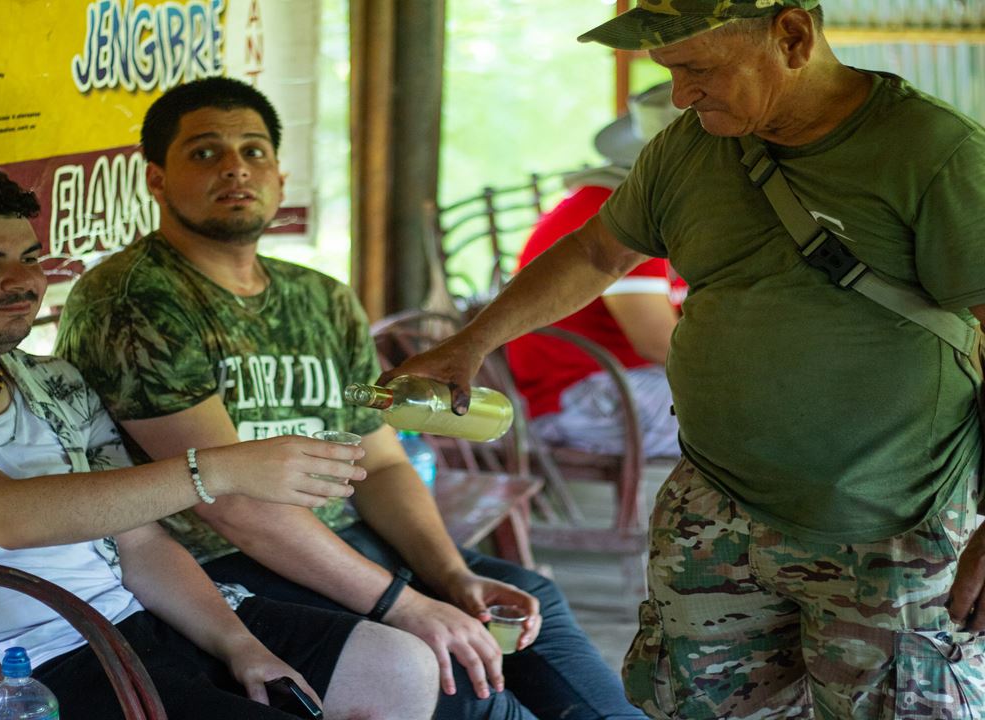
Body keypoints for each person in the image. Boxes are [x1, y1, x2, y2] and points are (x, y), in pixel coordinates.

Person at [381, 1, 985, 717]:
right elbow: (599, 251)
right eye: (669, 71)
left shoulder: (933, 152)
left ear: (790, 36)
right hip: (715, 510)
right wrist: (468, 343)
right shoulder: (691, 147)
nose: (680, 95)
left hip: (891, 522)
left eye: (698, 68)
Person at [55, 77, 646, 720]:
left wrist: (450, 577)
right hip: (222, 565)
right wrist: (409, 605)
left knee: (522, 602)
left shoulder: (321, 298)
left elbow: (382, 462)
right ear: (156, 180)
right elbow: (234, 506)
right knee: (468, 683)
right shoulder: (134, 300)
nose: (235, 168)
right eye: (204, 153)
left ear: (280, 174)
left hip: (342, 541)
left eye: (254, 151)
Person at [0, 161, 439, 720]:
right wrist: (220, 470)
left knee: (397, 665)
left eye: (29, 258)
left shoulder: (52, 382)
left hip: (129, 622)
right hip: (1, 677)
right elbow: (5, 515)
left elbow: (142, 541)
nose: (22, 282)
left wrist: (238, 645)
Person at [508, 82, 685, 459]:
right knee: (760, 418)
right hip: (580, 396)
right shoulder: (619, 213)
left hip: (615, 382)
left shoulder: (643, 205)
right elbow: (658, 343)